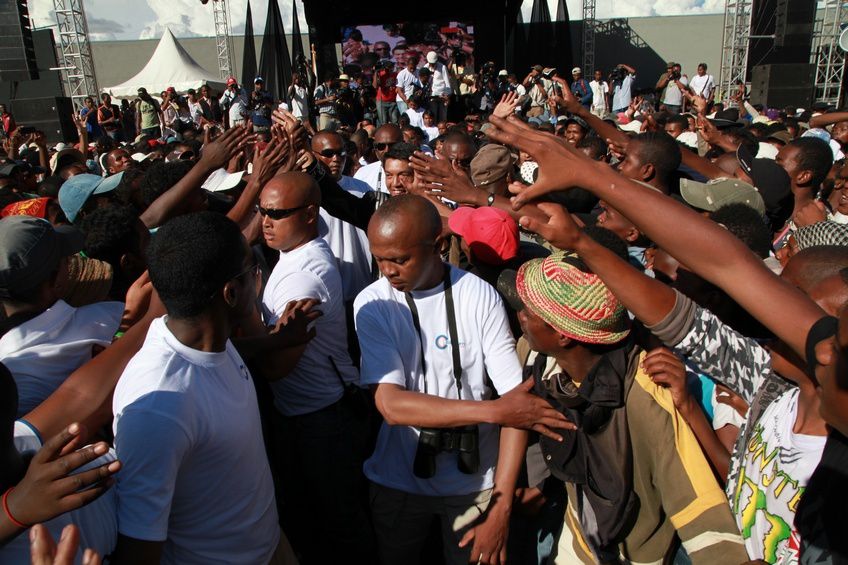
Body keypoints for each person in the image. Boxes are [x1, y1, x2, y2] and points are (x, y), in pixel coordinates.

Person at [354, 195, 569, 565]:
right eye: (380, 258)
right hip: (397, 480)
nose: (388, 270)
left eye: (400, 259)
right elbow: (390, 405)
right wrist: (493, 412)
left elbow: (517, 403)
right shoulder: (372, 304)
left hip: (475, 486)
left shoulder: (478, 295)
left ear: (438, 245)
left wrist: (500, 508)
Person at [496, 250, 748, 564]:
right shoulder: (546, 366)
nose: (520, 315)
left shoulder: (645, 390)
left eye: (529, 311)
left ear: (562, 335)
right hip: (580, 542)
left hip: (641, 553)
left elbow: (695, 498)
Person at [110, 211, 289, 564]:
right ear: (231, 293)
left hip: (270, 546)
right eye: (251, 269)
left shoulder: (210, 343)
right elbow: (139, 546)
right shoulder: (160, 407)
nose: (259, 276)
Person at [257, 172, 372, 563]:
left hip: (322, 420)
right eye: (262, 211)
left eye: (277, 213)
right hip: (303, 415)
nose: (266, 221)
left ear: (309, 214)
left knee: (339, 525)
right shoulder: (294, 256)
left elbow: (275, 367)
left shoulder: (304, 277)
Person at [0, 217, 122, 417]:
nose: (73, 264)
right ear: (53, 281)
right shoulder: (110, 316)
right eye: (66, 261)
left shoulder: (12, 371)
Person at [310, 131, 373, 302]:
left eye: (341, 153)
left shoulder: (363, 188)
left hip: (364, 288)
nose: (336, 158)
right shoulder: (306, 194)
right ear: (312, 155)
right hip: (327, 294)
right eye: (328, 154)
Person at [354, 123, 403, 193]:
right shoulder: (362, 174)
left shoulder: (416, 172)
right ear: (375, 148)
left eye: (393, 145)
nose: (387, 150)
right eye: (381, 146)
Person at [424, 51, 452, 124]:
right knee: (433, 117)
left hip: (442, 96)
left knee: (442, 118)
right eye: (431, 63)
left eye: (434, 63)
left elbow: (447, 83)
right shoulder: (425, 67)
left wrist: (447, 95)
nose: (432, 64)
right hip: (432, 97)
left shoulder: (442, 67)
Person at [374, 60, 399, 126]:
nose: (391, 68)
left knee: (395, 121)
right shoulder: (381, 74)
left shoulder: (395, 74)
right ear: (385, 68)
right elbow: (375, 86)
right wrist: (376, 72)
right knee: (383, 122)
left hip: (393, 101)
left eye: (392, 67)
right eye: (389, 67)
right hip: (382, 101)